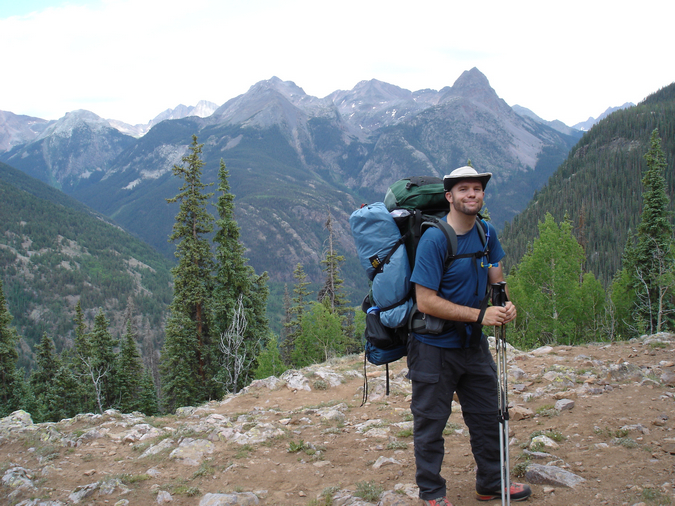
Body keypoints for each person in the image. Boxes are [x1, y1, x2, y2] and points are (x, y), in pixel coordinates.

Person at [407, 166, 532, 505]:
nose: (472, 194)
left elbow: (496, 281)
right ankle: (432, 493)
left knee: (489, 415)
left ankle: (491, 482)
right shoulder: (436, 238)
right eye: (464, 189)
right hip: (433, 347)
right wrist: (481, 315)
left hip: (472, 345)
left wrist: (504, 305)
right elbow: (425, 301)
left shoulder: (486, 233)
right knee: (431, 424)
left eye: (476, 189)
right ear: (450, 196)